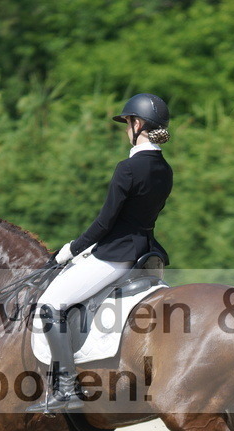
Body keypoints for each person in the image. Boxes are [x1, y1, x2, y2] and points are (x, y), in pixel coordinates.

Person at [29, 93, 173, 413]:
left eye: (127, 123)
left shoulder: (128, 168)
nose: (126, 129)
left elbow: (105, 222)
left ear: (137, 125)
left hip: (115, 255)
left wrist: (68, 251)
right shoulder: (165, 169)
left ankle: (65, 388)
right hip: (146, 253)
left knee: (50, 305)